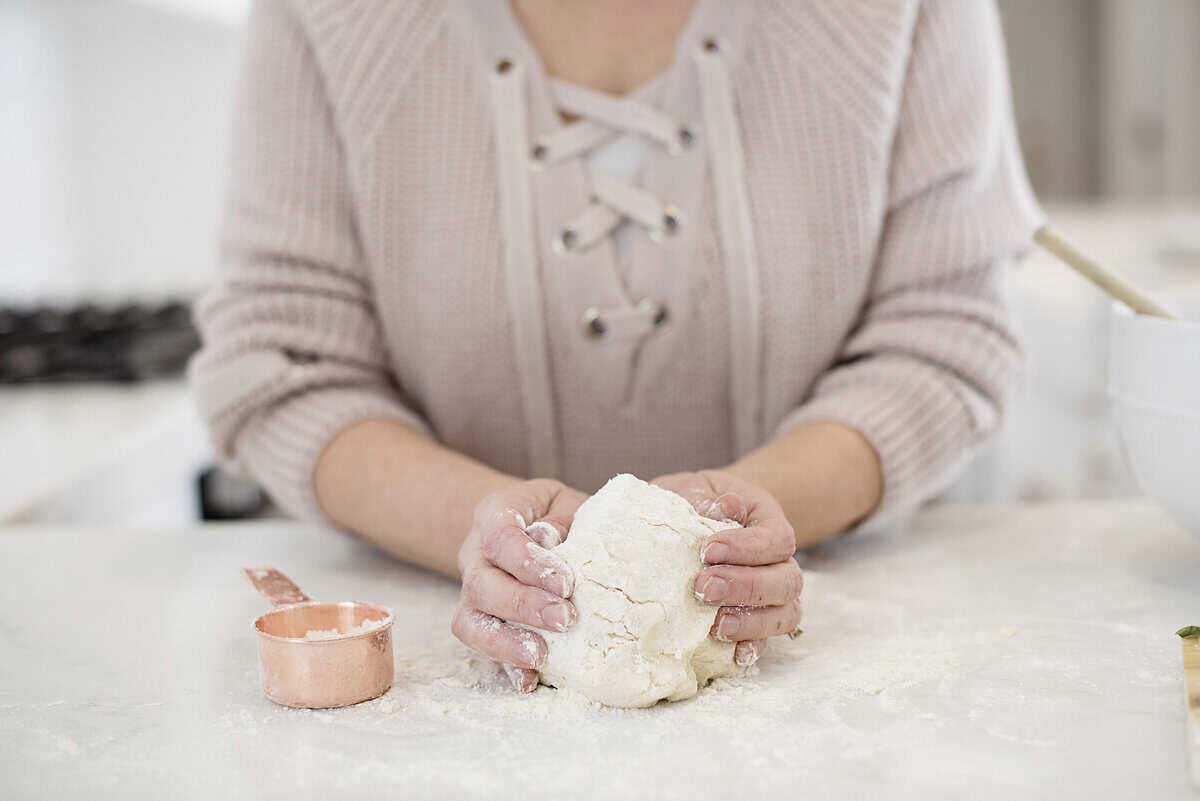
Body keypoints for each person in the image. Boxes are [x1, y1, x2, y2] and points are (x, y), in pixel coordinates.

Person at [190, 0, 1041, 692]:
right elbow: (282, 360)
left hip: (837, 666)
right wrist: (491, 540)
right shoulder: (329, 18)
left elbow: (945, 327)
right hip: (433, 662)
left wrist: (750, 528)